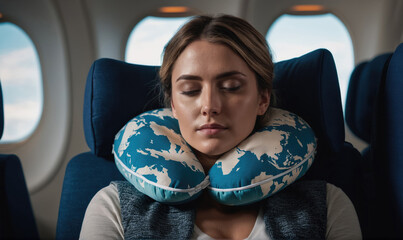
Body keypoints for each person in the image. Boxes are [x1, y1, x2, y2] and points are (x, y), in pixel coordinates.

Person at [80, 14, 361, 239]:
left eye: (231, 87)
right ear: (173, 106)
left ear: (262, 99)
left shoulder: (327, 205)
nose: (210, 105)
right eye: (190, 90)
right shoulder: (113, 206)